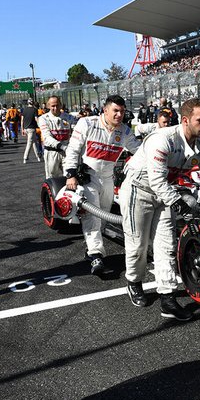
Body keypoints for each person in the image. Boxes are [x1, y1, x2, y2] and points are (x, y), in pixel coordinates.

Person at [120, 97, 200, 318]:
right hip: (139, 189)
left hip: (164, 192)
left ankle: (168, 299)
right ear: (185, 120)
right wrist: (180, 205)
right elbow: (156, 181)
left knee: (166, 245)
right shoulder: (162, 139)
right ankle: (133, 280)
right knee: (137, 246)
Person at [63, 95, 141, 275]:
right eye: (115, 111)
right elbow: (73, 149)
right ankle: (96, 254)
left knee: (104, 216)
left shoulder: (125, 131)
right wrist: (70, 174)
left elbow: (139, 151)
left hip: (108, 178)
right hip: (87, 176)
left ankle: (92, 245)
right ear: (105, 110)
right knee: (94, 217)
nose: (119, 115)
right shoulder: (87, 123)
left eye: (122, 111)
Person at [38, 96, 74, 179]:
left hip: (67, 152)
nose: (55, 108)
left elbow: (76, 131)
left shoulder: (69, 117)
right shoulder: (43, 119)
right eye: (53, 106)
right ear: (48, 106)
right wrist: (61, 146)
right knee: (52, 179)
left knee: (70, 176)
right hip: (51, 152)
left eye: (57, 105)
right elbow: (47, 137)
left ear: (61, 105)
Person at [21, 99, 42, 163]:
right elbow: (36, 119)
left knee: (34, 143)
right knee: (29, 143)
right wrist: (40, 126)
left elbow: (22, 120)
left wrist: (22, 129)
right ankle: (25, 157)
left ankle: (38, 157)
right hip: (32, 128)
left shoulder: (24, 109)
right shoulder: (35, 109)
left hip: (26, 128)